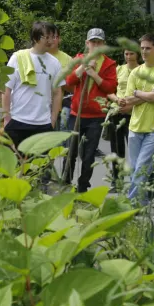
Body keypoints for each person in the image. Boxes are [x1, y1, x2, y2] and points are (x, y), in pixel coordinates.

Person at [62, 28, 118, 193]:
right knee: (70, 150)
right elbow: (69, 80)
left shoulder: (109, 64)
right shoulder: (78, 59)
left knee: (89, 154)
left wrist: (93, 74)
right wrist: (83, 68)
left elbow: (110, 87)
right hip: (76, 113)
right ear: (87, 43)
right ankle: (66, 182)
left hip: (96, 116)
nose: (96, 45)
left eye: (99, 42)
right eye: (93, 42)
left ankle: (83, 186)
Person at [119, 33, 154, 202]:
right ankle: (141, 206)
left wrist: (138, 94)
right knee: (135, 169)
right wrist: (150, 95)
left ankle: (130, 204)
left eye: (148, 48)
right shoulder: (136, 72)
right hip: (134, 127)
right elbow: (127, 102)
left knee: (142, 169)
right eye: (142, 48)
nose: (144, 52)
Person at [2, 21, 65, 149]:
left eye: (53, 37)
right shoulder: (17, 57)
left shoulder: (55, 63)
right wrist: (7, 118)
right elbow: (6, 89)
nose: (51, 41)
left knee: (39, 166)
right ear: (36, 37)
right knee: (14, 166)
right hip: (18, 121)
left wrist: (53, 120)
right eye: (46, 37)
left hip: (43, 124)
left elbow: (58, 92)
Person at [106, 49, 138, 188]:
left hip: (134, 113)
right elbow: (109, 90)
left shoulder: (141, 71)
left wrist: (130, 105)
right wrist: (117, 100)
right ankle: (117, 180)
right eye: (126, 54)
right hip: (117, 111)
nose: (129, 56)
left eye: (131, 53)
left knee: (134, 149)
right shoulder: (118, 69)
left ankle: (135, 181)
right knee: (117, 149)